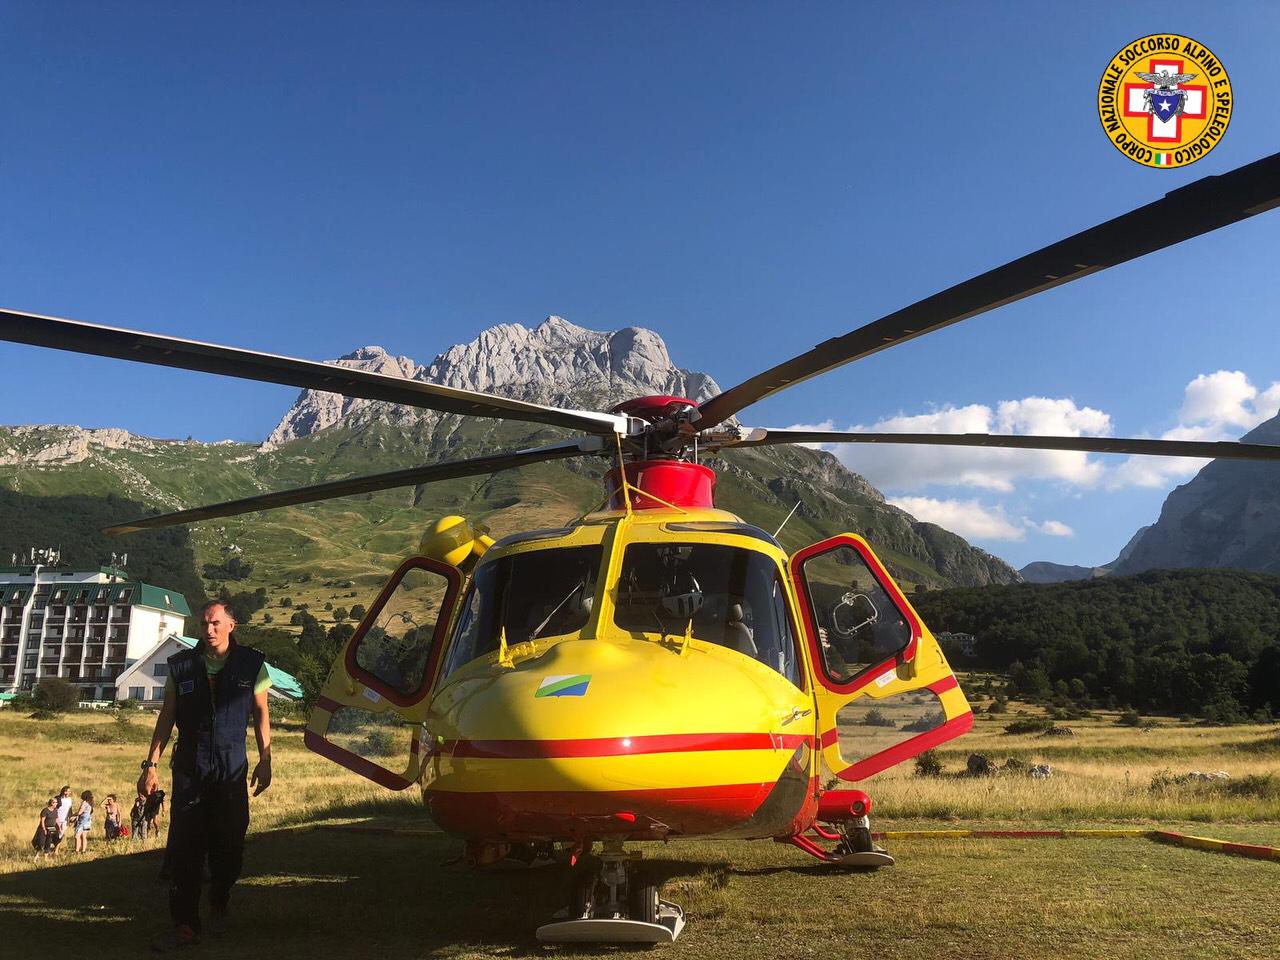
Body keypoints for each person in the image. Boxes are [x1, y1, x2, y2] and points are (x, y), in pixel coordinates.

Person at [139, 600, 272, 951]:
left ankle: (220, 897)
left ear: (232, 625)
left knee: (230, 844)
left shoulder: (252, 664)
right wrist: (150, 764)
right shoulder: (180, 666)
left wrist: (266, 759)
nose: (208, 630)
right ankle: (185, 925)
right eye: (203, 625)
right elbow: (166, 717)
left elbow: (261, 715)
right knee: (186, 848)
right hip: (189, 766)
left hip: (231, 766)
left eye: (215, 623)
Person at [53, 784, 72, 855]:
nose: (70, 792)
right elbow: (53, 807)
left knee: (61, 834)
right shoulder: (57, 798)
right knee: (54, 834)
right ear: (64, 792)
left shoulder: (70, 800)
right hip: (56, 819)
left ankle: (56, 850)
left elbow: (70, 810)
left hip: (65, 820)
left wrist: (70, 819)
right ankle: (51, 847)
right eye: (68, 791)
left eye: (70, 791)